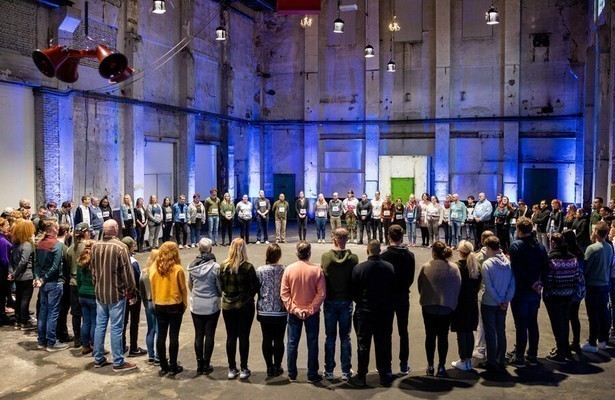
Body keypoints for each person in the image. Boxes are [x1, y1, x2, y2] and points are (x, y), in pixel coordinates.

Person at [91, 219, 137, 371]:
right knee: (117, 328)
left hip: (100, 292)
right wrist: (132, 291)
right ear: (116, 229)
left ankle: (98, 358)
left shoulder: (95, 246)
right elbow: (127, 272)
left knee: (100, 325)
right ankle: (118, 361)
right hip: (116, 292)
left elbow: (93, 270)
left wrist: (96, 286)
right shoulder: (120, 247)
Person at [351, 240, 396, 387]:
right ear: (380, 251)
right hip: (384, 312)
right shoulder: (389, 267)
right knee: (383, 343)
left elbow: (354, 291)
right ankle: (384, 374)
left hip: (364, 311)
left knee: (363, 345)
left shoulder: (359, 268)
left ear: (367, 251)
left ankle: (361, 375)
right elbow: (392, 288)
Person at [281, 241, 326, 383]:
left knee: (292, 343)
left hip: (294, 313)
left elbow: (284, 293)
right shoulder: (317, 270)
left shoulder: (289, 269)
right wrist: (310, 309)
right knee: (312, 344)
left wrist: (295, 309)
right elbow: (321, 293)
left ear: (297, 253)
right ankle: (312, 374)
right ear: (309, 253)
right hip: (312, 314)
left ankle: (292, 374)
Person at [508, 217, 548, 367]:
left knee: (521, 325)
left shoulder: (516, 246)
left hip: (521, 290)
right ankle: (532, 355)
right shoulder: (540, 247)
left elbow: (517, 270)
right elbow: (546, 266)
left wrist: (531, 283)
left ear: (518, 230)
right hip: (535, 291)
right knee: (532, 323)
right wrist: (539, 283)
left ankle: (519, 357)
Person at [418, 241, 462, 378]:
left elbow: (420, 286)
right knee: (443, 337)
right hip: (447, 308)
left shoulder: (426, 267)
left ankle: (430, 365)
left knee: (430, 336)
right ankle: (441, 366)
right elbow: (457, 287)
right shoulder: (454, 268)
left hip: (429, 306)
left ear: (433, 253)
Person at [218, 238, 260, 380]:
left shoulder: (223, 266)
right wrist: (247, 296)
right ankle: (243, 368)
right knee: (244, 336)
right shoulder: (248, 267)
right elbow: (255, 287)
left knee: (231, 336)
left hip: (228, 306)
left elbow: (221, 286)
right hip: (245, 306)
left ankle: (231, 368)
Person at [321, 228, 358, 381]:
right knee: (345, 337)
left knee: (330, 337)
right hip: (346, 301)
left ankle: (329, 370)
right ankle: (346, 370)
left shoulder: (326, 257)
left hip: (330, 300)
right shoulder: (353, 259)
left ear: (334, 239)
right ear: (347, 239)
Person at [381, 224, 416, 375]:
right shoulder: (410, 256)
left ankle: (386, 366)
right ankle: (404, 364)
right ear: (402, 238)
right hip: (403, 296)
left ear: (388, 237)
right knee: (403, 331)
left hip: (387, 297)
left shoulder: (383, 256)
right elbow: (410, 278)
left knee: (386, 332)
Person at [150, 241, 188, 376]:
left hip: (159, 304)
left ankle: (163, 366)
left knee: (161, 335)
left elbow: (152, 287)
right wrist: (184, 304)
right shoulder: (178, 269)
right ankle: (173, 366)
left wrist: (155, 300)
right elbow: (183, 289)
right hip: (174, 305)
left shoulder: (154, 268)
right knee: (173, 336)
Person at [479, 236, 515, 372]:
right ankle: (501, 359)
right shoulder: (508, 262)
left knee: (490, 333)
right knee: (501, 331)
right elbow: (512, 285)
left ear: (488, 248)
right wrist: (505, 300)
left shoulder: (487, 264)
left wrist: (499, 300)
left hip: (489, 302)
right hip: (503, 304)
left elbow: (488, 287)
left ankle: (491, 361)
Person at [543, 233, 579, 364]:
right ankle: (565, 349)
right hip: (568, 295)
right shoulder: (573, 258)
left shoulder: (551, 259)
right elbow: (576, 277)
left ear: (553, 243)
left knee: (557, 324)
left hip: (554, 296)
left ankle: (561, 353)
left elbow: (548, 279)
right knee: (565, 322)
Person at [34, 220, 68, 351]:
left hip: (43, 283)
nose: (58, 227)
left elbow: (37, 264)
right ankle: (51, 343)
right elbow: (55, 266)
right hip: (54, 282)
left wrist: (38, 278)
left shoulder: (40, 244)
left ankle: (41, 341)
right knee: (53, 313)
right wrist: (43, 278)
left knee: (43, 311)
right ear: (53, 229)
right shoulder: (57, 245)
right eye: (57, 226)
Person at [188, 238, 221, 375]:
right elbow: (219, 287)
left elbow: (190, 285)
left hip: (196, 305)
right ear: (210, 249)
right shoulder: (215, 267)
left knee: (198, 335)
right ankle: (207, 364)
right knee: (210, 335)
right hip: (212, 305)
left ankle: (199, 364)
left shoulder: (192, 266)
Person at [581, 221, 613, 353]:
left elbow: (586, 268)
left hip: (593, 285)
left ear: (596, 232)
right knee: (603, 313)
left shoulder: (592, 248)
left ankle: (592, 342)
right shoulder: (609, 247)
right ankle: (602, 340)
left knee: (593, 315)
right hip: (605, 284)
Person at [256, 243, 287, 377]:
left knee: (267, 338)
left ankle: (269, 367)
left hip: (265, 310)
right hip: (281, 310)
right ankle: (277, 365)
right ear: (279, 256)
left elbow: (256, 288)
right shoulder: (284, 270)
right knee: (279, 339)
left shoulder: (260, 270)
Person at [450, 240, 482, 371]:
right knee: (469, 331)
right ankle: (468, 359)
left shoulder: (457, 267)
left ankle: (463, 360)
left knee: (461, 332)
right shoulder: (477, 265)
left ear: (460, 252)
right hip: (472, 302)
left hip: (460, 302)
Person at [63, 222, 91, 349]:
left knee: (75, 313)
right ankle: (87, 340)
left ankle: (77, 339)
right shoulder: (88, 247)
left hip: (72, 283)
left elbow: (68, 267)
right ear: (85, 232)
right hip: (85, 283)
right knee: (87, 313)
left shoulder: (70, 249)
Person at [120, 237, 147, 357]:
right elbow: (137, 279)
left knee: (123, 321)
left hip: (122, 294)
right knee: (134, 321)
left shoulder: (119, 258)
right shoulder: (133, 262)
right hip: (133, 295)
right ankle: (134, 348)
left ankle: (121, 346)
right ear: (131, 246)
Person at [8, 219, 36, 330]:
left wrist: (12, 273)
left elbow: (11, 261)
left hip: (18, 277)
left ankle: (18, 320)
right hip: (26, 276)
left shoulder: (15, 245)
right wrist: (14, 273)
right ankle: (24, 322)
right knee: (25, 299)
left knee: (19, 298)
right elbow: (23, 262)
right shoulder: (27, 245)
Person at [473, 230, 495, 359]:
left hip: (482, 293)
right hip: (499, 294)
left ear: (482, 240)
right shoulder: (502, 258)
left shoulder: (477, 257)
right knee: (496, 324)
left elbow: (474, 276)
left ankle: (480, 349)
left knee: (481, 323)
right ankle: (495, 350)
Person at [563, 230, 586, 354]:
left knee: (566, 317)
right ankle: (576, 342)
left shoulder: (568, 255)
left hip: (569, 289)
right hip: (579, 289)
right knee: (574, 316)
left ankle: (565, 344)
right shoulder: (580, 253)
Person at [77, 240, 97, 355]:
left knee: (85, 322)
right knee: (95, 323)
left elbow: (78, 280)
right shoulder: (95, 262)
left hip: (82, 294)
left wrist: (80, 291)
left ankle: (85, 346)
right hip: (93, 295)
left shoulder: (81, 261)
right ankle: (95, 346)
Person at [140, 249, 159, 365]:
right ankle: (158, 357)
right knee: (159, 329)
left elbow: (141, 290)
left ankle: (151, 356)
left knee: (150, 329)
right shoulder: (159, 271)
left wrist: (145, 303)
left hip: (148, 302)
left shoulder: (144, 272)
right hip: (158, 302)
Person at [0, 218, 14, 326]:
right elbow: (4, 259)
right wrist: (9, 271)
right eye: (6, 225)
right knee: (2, 294)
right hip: (2, 272)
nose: (8, 227)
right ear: (1, 227)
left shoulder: (3, 238)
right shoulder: (2, 240)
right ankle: (2, 316)